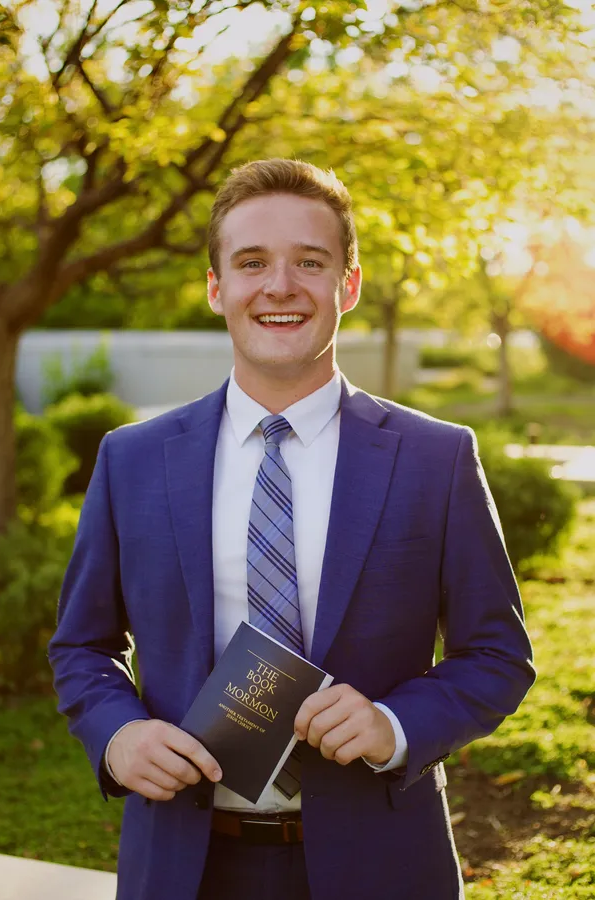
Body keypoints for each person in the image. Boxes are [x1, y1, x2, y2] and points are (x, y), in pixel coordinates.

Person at [49, 158, 535, 900]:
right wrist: (117, 735)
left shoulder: (437, 458)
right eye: (251, 263)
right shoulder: (133, 460)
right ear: (218, 288)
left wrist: (394, 724)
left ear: (349, 285)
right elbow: (83, 646)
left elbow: (498, 655)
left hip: (381, 863)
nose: (280, 286)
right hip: (183, 865)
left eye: (310, 262)